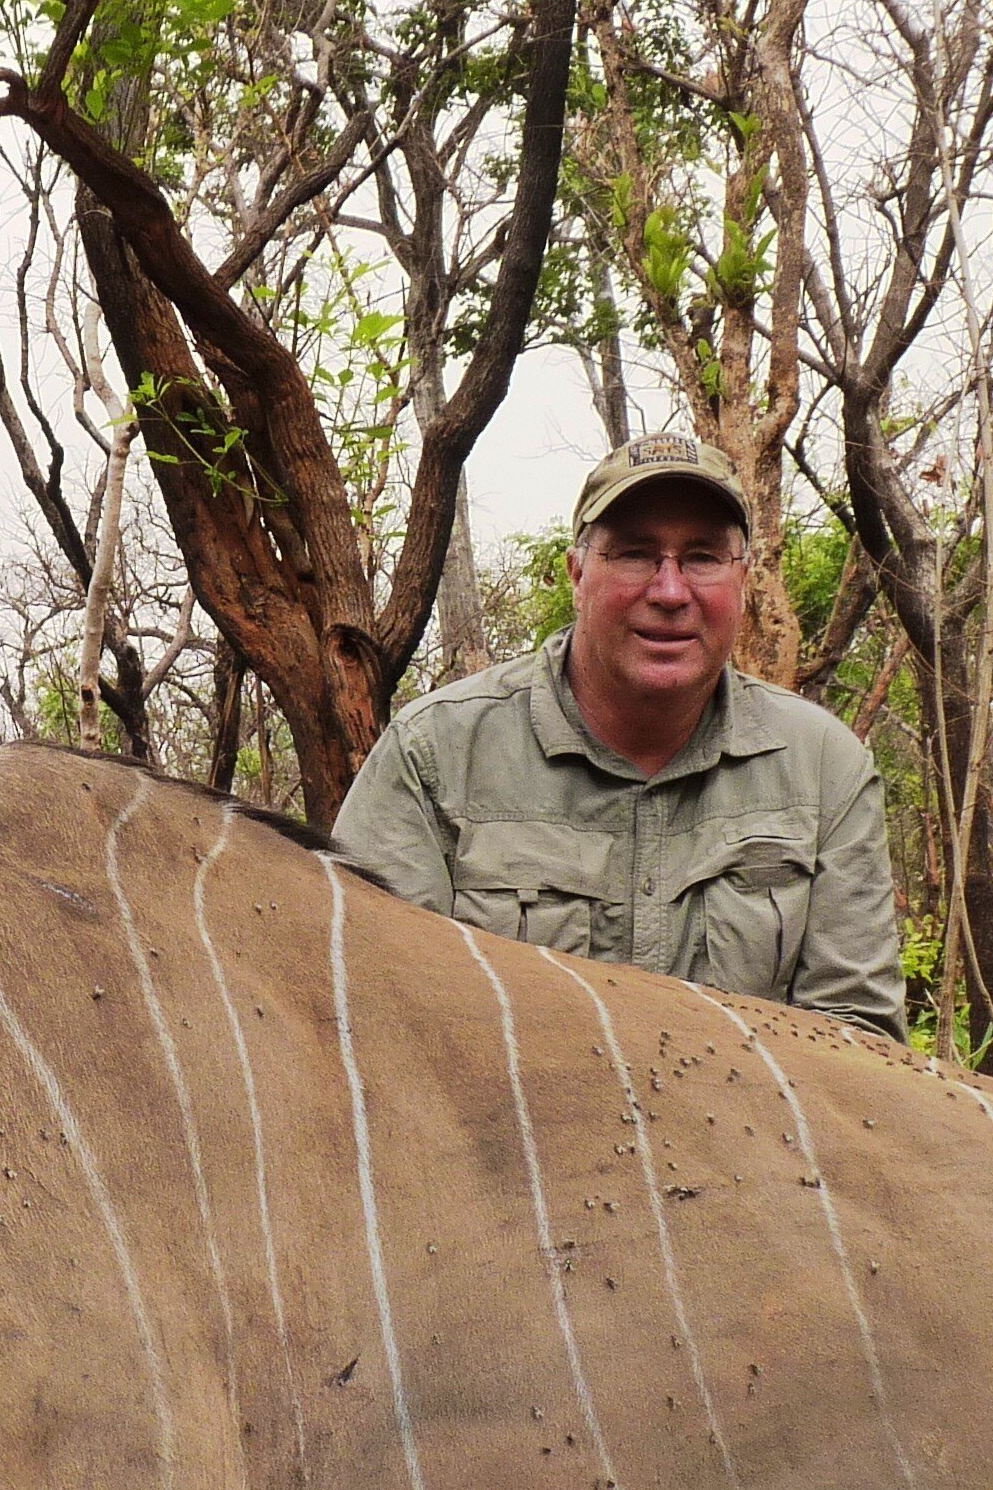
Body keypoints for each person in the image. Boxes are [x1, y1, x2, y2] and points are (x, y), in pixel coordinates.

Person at [334, 430, 905, 1037]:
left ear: (744, 580)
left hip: (746, 1129)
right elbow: (370, 1016)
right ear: (578, 574)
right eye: (635, 554)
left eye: (703, 558)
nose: (669, 591)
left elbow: (857, 1039)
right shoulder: (436, 753)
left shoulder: (823, 767)